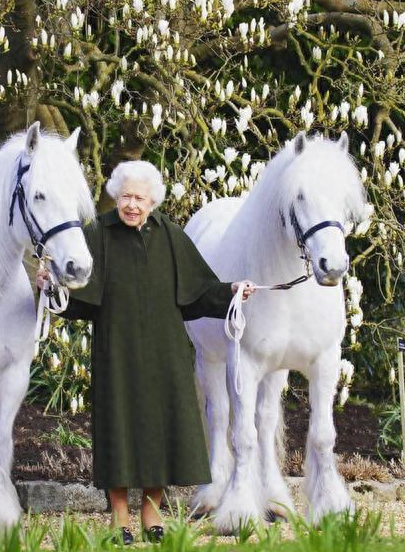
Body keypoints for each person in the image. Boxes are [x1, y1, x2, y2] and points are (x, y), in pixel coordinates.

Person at [37, 160, 255, 545]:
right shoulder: (98, 234)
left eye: (139, 197)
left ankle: (151, 508)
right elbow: (78, 296)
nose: (131, 204)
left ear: (152, 200)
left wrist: (233, 290)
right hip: (115, 350)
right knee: (118, 429)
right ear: (115, 198)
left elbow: (199, 291)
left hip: (165, 351)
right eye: (125, 197)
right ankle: (120, 513)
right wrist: (50, 286)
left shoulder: (170, 235)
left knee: (162, 429)